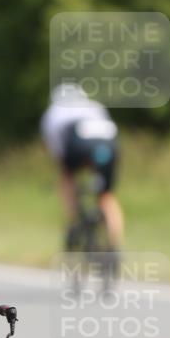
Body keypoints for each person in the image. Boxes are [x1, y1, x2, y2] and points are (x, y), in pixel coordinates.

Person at [40, 83, 124, 248]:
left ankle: (73, 219)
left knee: (67, 175)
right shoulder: (94, 106)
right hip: (109, 143)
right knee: (106, 195)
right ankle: (115, 245)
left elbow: (57, 150)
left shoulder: (53, 113)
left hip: (79, 141)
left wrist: (67, 167)